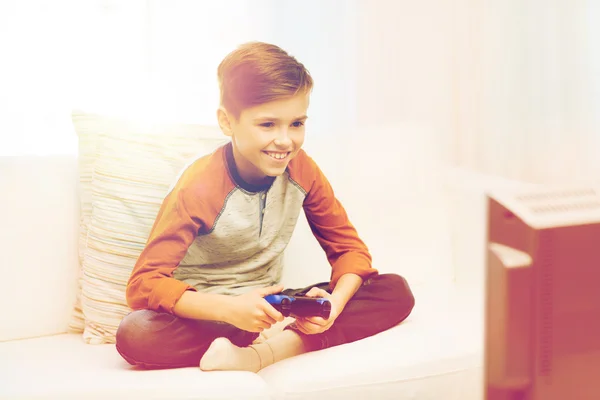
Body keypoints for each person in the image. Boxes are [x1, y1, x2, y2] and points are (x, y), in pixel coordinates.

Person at [115, 41, 415, 372]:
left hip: (272, 308)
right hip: (213, 313)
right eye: (268, 125)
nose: (286, 141)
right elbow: (144, 284)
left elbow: (350, 251)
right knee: (137, 334)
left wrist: (332, 305)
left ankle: (266, 352)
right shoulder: (198, 186)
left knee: (394, 290)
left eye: (297, 124)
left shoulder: (303, 170)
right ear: (227, 123)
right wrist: (229, 310)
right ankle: (263, 339)